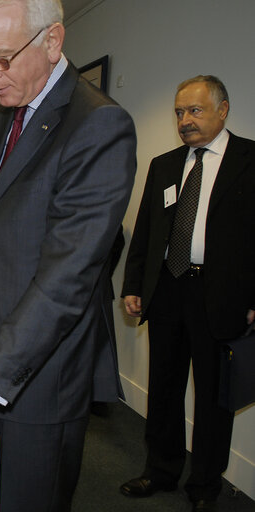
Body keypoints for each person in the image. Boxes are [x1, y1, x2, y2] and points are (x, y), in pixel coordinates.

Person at [0, 1, 137, 510]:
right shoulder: (3, 118)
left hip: (40, 382)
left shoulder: (98, 125)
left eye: (1, 58)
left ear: (53, 41)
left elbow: (67, 278)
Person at [120, 75, 255, 512]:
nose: (185, 120)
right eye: (179, 112)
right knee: (163, 388)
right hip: (167, 291)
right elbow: (146, 231)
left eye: (195, 110)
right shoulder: (165, 164)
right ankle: (160, 470)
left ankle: (204, 486)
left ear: (223, 109)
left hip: (221, 297)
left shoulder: (250, 160)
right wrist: (134, 285)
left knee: (214, 399)